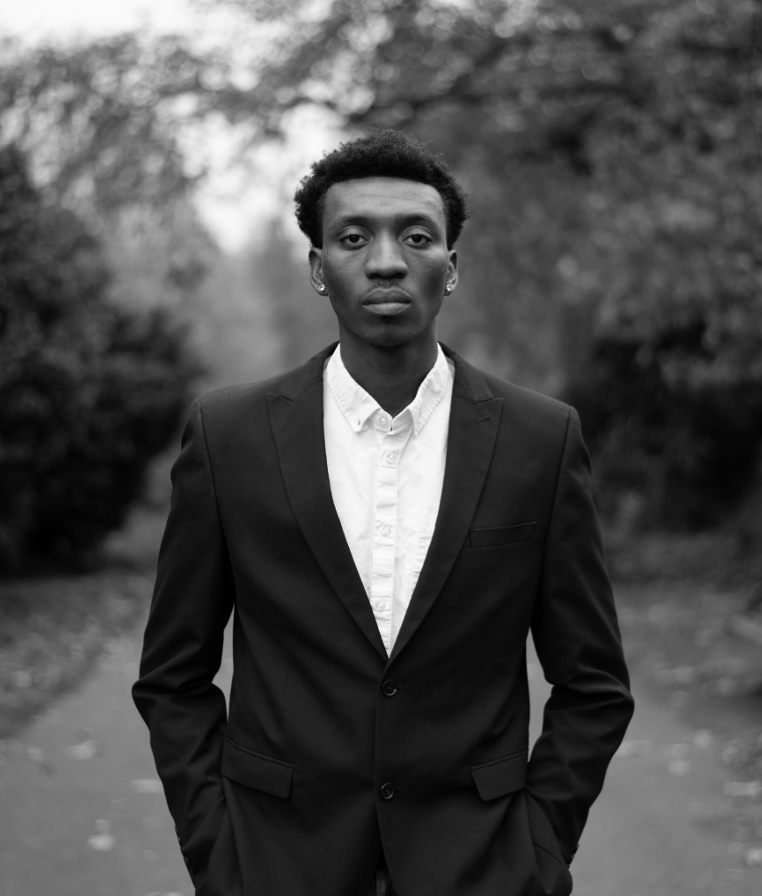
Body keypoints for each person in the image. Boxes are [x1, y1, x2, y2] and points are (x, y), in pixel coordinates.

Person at [132, 129, 632, 896]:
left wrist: (537, 849)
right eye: (354, 237)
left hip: (481, 867)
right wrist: (218, 851)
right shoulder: (228, 436)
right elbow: (173, 677)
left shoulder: (540, 439)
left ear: (450, 268)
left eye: (416, 236)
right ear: (317, 268)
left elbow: (593, 683)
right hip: (275, 864)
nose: (387, 260)